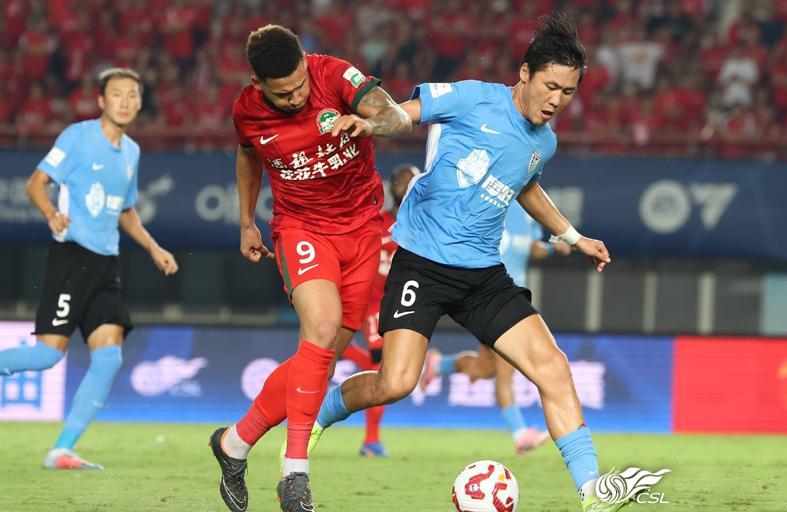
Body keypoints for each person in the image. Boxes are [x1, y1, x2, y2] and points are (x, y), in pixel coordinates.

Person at [308, 13, 633, 512]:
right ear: (524, 73)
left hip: (483, 276)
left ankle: (594, 496)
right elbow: (402, 114)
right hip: (422, 264)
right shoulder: (472, 97)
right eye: (550, 86)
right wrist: (370, 123)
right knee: (395, 383)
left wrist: (572, 235)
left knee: (553, 369)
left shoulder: (544, 142)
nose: (556, 100)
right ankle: (316, 418)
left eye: (568, 92)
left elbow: (525, 184)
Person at [208, 25, 412, 512]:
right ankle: (294, 473)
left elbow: (395, 115)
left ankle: (235, 442)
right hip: (302, 228)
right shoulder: (246, 110)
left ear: (305, 62)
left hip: (363, 229)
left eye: (300, 84)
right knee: (319, 331)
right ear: (258, 84)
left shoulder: (334, 75)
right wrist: (246, 221)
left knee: (323, 356)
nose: (297, 96)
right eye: (283, 93)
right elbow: (248, 154)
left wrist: (369, 124)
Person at [0, 67, 179, 470]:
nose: (125, 102)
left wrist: (153, 247)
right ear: (101, 100)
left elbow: (125, 210)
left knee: (109, 358)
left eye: (132, 95)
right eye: (117, 94)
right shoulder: (77, 137)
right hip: (72, 257)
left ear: (140, 102)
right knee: (47, 356)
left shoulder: (131, 152)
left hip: (105, 265)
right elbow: (35, 183)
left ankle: (62, 449)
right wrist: (50, 213)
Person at [418, 203, 571, 455]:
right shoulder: (492, 201)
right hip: (494, 298)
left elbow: (531, 248)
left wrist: (554, 248)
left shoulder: (529, 210)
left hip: (514, 300)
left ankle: (439, 365)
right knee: (504, 372)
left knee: (485, 368)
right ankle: (520, 435)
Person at [340, 163, 418, 457]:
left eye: (412, 180)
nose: (406, 185)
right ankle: (371, 441)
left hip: (400, 305)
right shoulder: (377, 223)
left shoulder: (421, 227)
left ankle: (345, 355)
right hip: (371, 303)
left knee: (381, 367)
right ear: (392, 187)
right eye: (401, 180)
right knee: (380, 369)